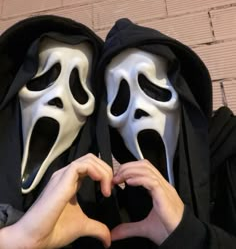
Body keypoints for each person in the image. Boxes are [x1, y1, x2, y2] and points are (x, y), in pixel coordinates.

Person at [95, 18, 236, 248]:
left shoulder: (231, 152)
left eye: (152, 87)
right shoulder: (125, 209)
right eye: (120, 99)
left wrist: (188, 234)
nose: (138, 108)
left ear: (181, 93)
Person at [0, 15, 112, 249]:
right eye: (43, 78)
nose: (58, 97)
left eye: (78, 88)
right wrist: (20, 238)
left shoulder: (97, 217)